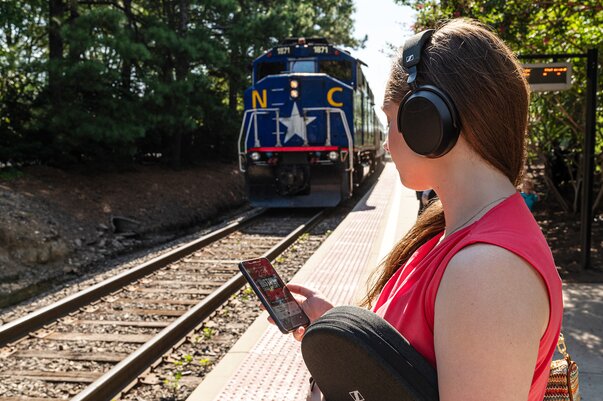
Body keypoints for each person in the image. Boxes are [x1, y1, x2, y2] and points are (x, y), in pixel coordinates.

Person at [279, 18, 563, 401]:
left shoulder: (487, 271)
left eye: (390, 121)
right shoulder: (450, 231)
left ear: (425, 120)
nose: (385, 144)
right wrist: (346, 334)